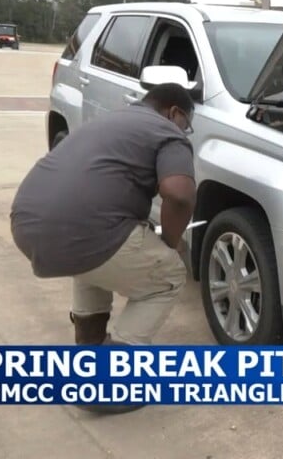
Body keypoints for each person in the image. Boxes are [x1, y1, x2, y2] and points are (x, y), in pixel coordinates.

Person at [10, 83, 197, 413]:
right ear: (175, 112)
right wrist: (170, 242)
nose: (186, 131)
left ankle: (89, 350)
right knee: (168, 275)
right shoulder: (168, 131)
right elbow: (179, 194)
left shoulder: (108, 121)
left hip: (27, 222)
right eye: (187, 124)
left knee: (95, 256)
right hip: (88, 230)